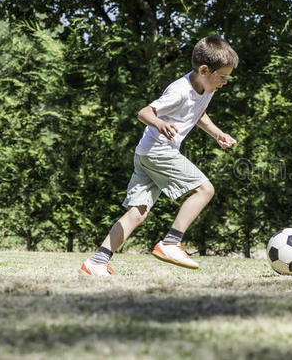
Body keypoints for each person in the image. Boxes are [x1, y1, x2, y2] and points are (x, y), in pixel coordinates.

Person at [80, 36, 238, 276]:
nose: (225, 82)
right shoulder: (179, 91)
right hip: (158, 151)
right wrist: (159, 123)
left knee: (137, 213)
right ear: (205, 70)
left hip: (146, 153)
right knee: (205, 190)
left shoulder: (206, 87)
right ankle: (171, 242)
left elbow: (199, 113)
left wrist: (218, 134)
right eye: (222, 76)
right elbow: (144, 112)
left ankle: (97, 261)